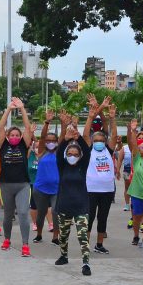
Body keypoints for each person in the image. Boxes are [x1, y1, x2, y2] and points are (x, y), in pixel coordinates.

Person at [51, 110, 92, 275]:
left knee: (83, 237)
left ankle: (86, 263)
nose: (72, 156)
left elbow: (87, 152)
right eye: (70, 154)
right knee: (63, 235)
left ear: (80, 156)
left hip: (81, 206)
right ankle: (63, 255)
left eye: (75, 154)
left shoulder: (83, 167)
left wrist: (78, 137)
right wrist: (66, 140)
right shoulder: (63, 167)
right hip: (64, 205)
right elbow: (59, 154)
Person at [0, 97, 35, 256]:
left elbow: (26, 127)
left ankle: (25, 244)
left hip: (22, 185)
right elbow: (1, 126)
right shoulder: (2, 145)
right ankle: (7, 239)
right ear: (8, 136)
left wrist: (22, 108)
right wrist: (9, 109)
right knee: (8, 216)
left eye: (17, 135)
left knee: (24, 213)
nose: (15, 137)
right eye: (12, 134)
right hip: (6, 185)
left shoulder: (23, 145)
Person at [83, 95, 117, 255]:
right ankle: (87, 244)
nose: (98, 141)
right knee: (89, 218)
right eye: (95, 139)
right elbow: (84, 136)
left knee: (102, 218)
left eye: (100, 139)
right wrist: (91, 116)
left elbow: (113, 134)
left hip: (107, 190)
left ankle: (99, 244)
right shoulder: (89, 150)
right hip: (91, 190)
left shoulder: (108, 150)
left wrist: (112, 118)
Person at [32, 110, 60, 245]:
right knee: (41, 213)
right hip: (40, 189)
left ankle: (55, 237)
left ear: (57, 142)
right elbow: (42, 138)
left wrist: (64, 125)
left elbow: (64, 137)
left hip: (56, 189)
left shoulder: (59, 153)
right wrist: (47, 122)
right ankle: (39, 234)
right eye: (48, 141)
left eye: (53, 141)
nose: (50, 142)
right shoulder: (42, 152)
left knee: (55, 212)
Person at [126, 122, 143, 247]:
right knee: (136, 217)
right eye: (142, 147)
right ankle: (136, 235)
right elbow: (133, 144)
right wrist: (133, 131)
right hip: (137, 194)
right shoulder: (136, 159)